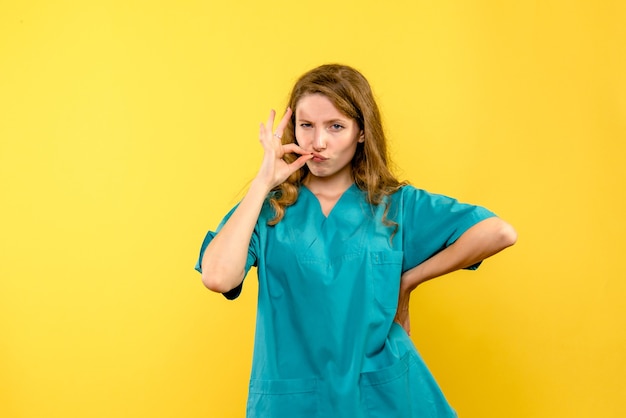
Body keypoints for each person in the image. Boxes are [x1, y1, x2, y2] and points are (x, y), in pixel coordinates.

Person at [195, 64, 517, 417]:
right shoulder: (268, 209)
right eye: (307, 126)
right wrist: (262, 182)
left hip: (380, 396)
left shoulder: (396, 206)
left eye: (336, 126)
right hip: (295, 400)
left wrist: (408, 281)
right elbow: (218, 277)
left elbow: (499, 232)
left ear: (361, 132)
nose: (318, 142)